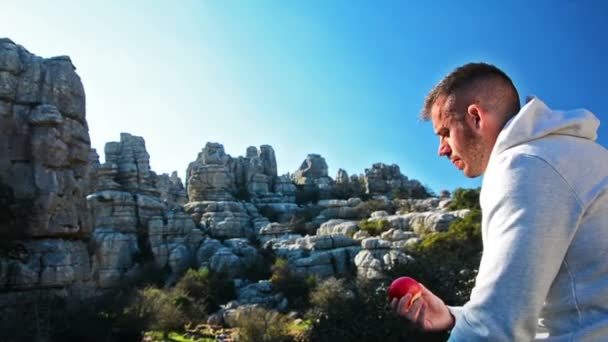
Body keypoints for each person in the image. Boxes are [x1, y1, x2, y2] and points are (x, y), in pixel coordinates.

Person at [391, 62, 608, 341]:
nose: (441, 149)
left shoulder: (525, 165)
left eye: (445, 132)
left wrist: (476, 324)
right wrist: (453, 316)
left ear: (476, 118)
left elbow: (493, 330)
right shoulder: (572, 154)